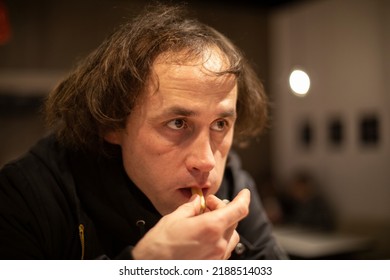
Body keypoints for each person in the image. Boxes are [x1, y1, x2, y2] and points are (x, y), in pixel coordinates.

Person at [0, 4, 286, 260]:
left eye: (220, 125)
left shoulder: (234, 185)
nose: (207, 162)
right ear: (112, 123)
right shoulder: (28, 195)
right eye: (178, 123)